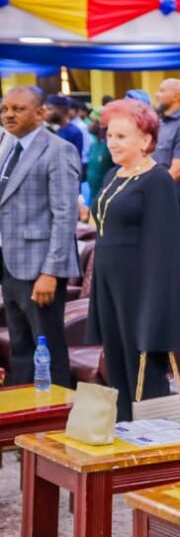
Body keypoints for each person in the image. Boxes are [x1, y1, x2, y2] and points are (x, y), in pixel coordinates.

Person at [87, 99, 180, 421]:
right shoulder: (112, 175)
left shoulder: (158, 181)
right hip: (110, 286)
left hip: (141, 291)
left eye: (121, 136)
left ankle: (153, 452)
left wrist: (155, 311)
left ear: (146, 140)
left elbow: (164, 252)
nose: (112, 143)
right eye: (109, 136)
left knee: (143, 375)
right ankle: (122, 444)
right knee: (117, 370)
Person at [0, 87, 81, 388]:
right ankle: (21, 421)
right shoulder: (9, 146)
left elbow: (64, 216)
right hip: (10, 264)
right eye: (5, 108)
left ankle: (56, 418)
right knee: (20, 350)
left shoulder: (58, 150)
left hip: (40, 269)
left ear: (40, 113)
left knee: (48, 351)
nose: (9, 114)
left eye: (18, 109)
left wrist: (50, 272)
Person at [153, 78, 180, 182]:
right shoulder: (160, 122)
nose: (156, 94)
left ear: (176, 97)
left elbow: (177, 170)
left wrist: (154, 189)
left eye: (162, 91)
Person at [85, 109, 114, 206]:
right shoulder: (94, 145)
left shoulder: (110, 146)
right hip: (92, 195)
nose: (89, 124)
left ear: (101, 124)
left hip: (106, 198)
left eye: (93, 121)